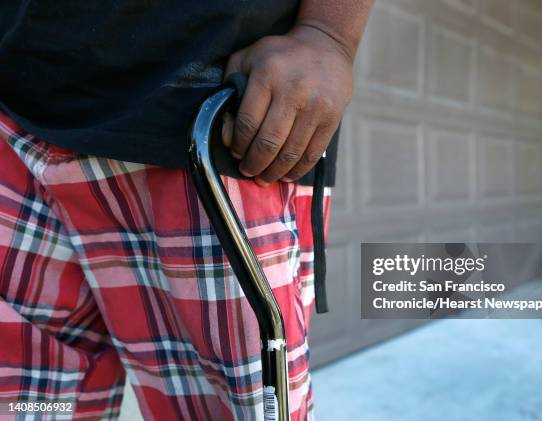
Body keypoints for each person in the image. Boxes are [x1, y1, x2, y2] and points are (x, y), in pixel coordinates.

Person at [0, 0, 373, 419]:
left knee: (233, 411)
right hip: (14, 109)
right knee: (24, 403)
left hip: (213, 126)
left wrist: (328, 35)